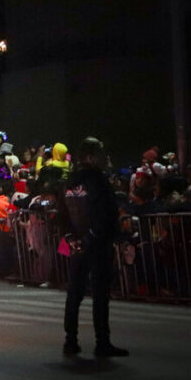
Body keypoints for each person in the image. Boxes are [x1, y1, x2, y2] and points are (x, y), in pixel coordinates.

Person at [60, 137, 128, 358]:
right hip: (97, 245)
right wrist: (91, 238)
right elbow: (105, 214)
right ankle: (102, 342)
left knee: (75, 293)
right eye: (100, 153)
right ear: (90, 156)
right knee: (100, 294)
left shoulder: (69, 181)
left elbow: (61, 214)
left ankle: (70, 341)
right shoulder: (98, 180)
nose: (104, 158)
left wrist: (72, 239)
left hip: (77, 244)